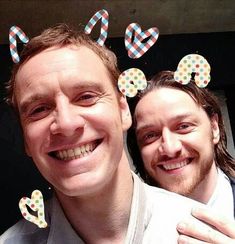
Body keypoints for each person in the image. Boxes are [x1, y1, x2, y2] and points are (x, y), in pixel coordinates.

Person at [0, 24, 211, 244]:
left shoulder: (208, 229)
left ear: (123, 110)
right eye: (39, 110)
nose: (66, 123)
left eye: (86, 97)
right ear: (25, 137)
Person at [127, 70, 235, 243]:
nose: (169, 148)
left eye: (184, 126)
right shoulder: (127, 231)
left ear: (214, 128)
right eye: (150, 135)